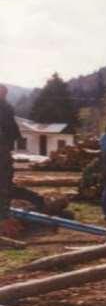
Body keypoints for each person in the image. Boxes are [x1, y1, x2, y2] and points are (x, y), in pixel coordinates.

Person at [0, 85, 46, 236]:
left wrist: (7, 143)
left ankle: (5, 218)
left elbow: (11, 130)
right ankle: (39, 201)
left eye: (3, 92)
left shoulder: (5, 108)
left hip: (2, 153)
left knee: (4, 187)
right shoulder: (6, 107)